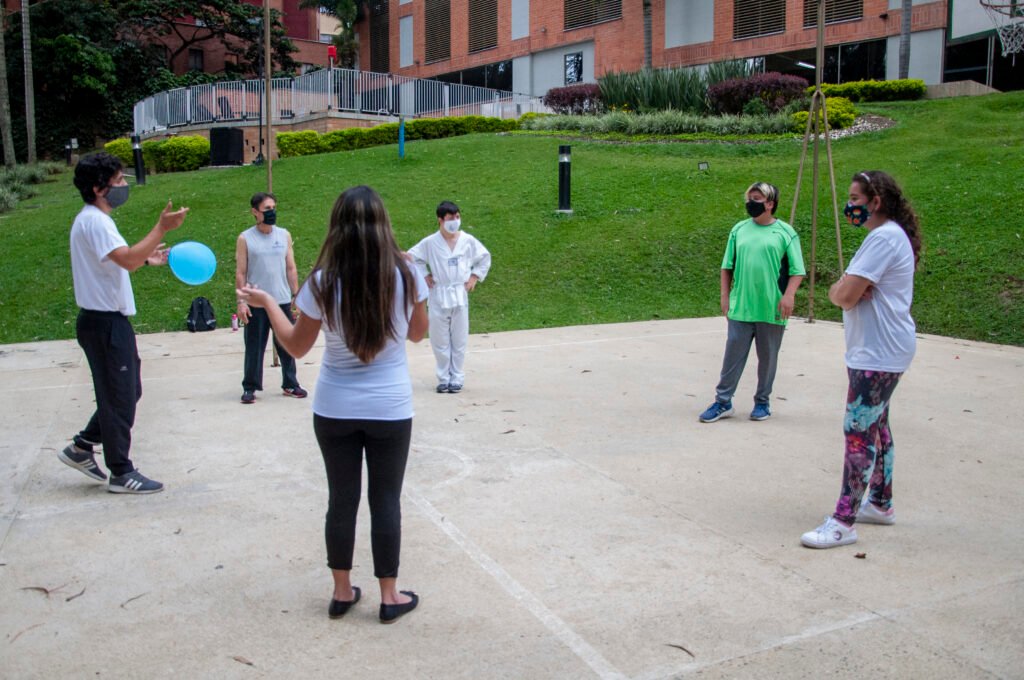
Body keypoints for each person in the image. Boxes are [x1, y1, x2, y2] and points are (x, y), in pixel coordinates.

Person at [237, 186, 429, 623]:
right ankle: (389, 596)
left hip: (335, 407)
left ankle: (342, 592)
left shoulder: (323, 281)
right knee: (386, 499)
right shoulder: (406, 272)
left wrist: (269, 302)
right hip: (390, 407)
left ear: (337, 225)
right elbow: (419, 334)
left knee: (341, 498)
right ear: (383, 223)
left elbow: (296, 346)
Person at [801, 170, 921, 549]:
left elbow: (843, 295)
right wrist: (848, 287)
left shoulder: (883, 238)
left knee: (858, 431)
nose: (849, 206)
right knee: (876, 426)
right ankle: (881, 504)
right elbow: (850, 290)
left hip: (878, 353)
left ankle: (844, 520)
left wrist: (843, 288)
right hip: (881, 349)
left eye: (855, 199)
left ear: (876, 201)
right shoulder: (885, 237)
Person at [60, 152, 189, 494]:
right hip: (103, 324)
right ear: (98, 188)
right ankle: (121, 471)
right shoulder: (96, 222)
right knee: (119, 396)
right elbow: (127, 261)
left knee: (127, 391)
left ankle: (82, 445)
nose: (123, 186)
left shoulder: (93, 220)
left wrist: (145, 258)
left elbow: (120, 261)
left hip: (105, 322)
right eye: (117, 181)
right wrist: (161, 227)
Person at [699, 182, 805, 423]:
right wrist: (725, 296)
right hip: (741, 306)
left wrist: (789, 295)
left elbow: (797, 271)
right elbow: (727, 267)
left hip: (772, 307)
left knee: (768, 359)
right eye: (749, 198)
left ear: (770, 203)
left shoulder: (786, 233)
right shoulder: (739, 230)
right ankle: (723, 402)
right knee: (732, 356)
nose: (750, 203)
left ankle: (762, 403)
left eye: (756, 199)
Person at [407, 200, 491, 393]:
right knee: (440, 338)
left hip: (459, 293)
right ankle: (443, 377)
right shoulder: (430, 242)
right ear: (440, 220)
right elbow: (412, 257)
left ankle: (457, 376)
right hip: (439, 293)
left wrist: (474, 277)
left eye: (457, 217)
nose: (455, 221)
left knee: (459, 338)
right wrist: (425, 274)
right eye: (450, 218)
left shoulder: (468, 241)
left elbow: (484, 257)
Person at [235, 192, 306, 404]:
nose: (272, 212)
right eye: (267, 209)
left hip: (282, 300)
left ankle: (290, 383)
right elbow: (241, 272)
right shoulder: (245, 238)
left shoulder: (284, 235)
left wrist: (296, 294)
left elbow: (291, 267)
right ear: (255, 213)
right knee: (255, 345)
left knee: (287, 344)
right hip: (256, 302)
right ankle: (250, 386)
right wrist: (241, 301)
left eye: (274, 208)